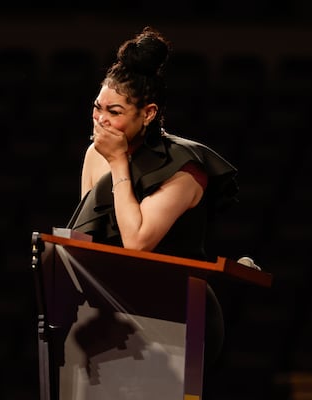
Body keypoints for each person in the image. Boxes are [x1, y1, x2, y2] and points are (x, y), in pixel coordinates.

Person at [64, 25, 241, 394]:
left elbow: (137, 243)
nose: (101, 121)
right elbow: (88, 239)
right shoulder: (94, 154)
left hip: (177, 314)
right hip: (117, 309)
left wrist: (118, 165)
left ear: (148, 114)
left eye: (114, 112)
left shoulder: (185, 168)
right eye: (97, 108)